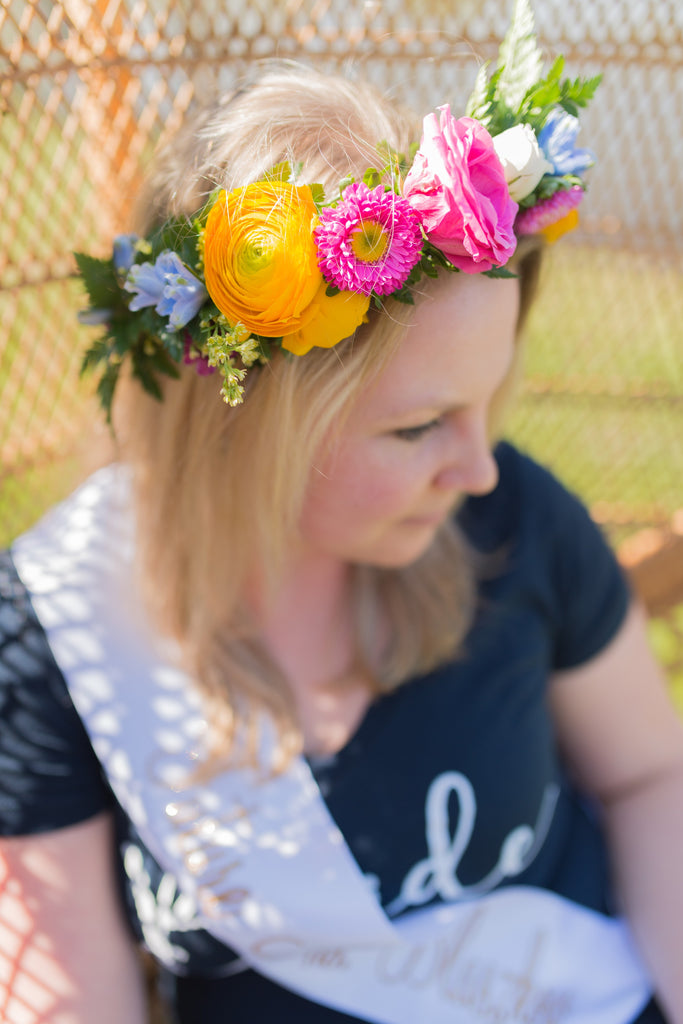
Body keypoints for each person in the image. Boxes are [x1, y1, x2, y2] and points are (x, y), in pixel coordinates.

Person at [2, 4, 683, 1022]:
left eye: (483, 406)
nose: (478, 468)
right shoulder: (64, 627)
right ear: (239, 431)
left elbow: (648, 778)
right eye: (415, 429)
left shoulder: (514, 523)